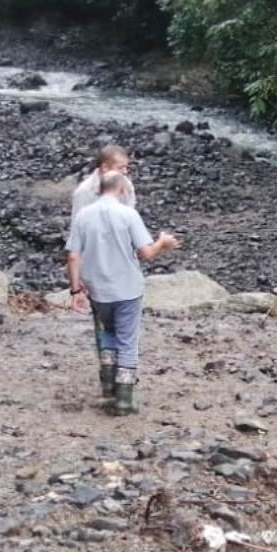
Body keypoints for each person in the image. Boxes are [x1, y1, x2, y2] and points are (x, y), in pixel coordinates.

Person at [65, 171, 178, 414]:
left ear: (98, 190)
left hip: (97, 289)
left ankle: (108, 389)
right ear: (123, 190)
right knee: (127, 339)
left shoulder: (83, 216)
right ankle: (125, 399)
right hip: (127, 288)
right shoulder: (128, 214)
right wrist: (163, 242)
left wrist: (76, 289)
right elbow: (146, 253)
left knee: (108, 334)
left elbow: (73, 256)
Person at [70, 143, 134, 216]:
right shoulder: (84, 191)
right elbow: (78, 223)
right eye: (120, 168)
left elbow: (130, 214)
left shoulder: (126, 184)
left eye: (126, 167)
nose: (125, 171)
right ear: (105, 167)